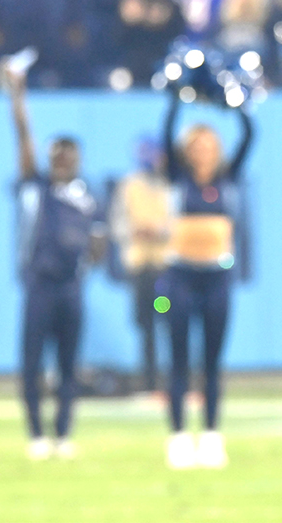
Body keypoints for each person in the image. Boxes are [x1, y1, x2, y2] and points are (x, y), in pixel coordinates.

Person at [7, 60, 103, 461]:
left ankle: (63, 433)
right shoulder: (37, 187)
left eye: (69, 155)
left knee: (68, 365)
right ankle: (35, 434)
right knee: (32, 364)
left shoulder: (87, 195)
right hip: (40, 286)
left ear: (78, 158)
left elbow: (99, 241)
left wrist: (86, 268)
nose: (63, 161)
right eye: (57, 155)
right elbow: (23, 138)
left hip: (70, 288)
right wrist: (17, 97)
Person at [161, 93, 254, 469]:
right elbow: (166, 130)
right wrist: (179, 94)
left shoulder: (228, 177)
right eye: (197, 145)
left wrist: (233, 101)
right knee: (179, 358)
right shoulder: (177, 177)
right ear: (187, 150)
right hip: (179, 276)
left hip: (217, 277)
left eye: (210, 144)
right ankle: (180, 436)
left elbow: (249, 134)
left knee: (212, 361)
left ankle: (212, 435)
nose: (203, 151)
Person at [109, 137, 172, 393]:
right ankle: (150, 382)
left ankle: (176, 379)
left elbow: (180, 221)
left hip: (165, 267)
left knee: (170, 322)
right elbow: (117, 223)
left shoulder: (171, 185)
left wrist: (159, 231)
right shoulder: (129, 186)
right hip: (140, 268)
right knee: (145, 325)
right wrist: (135, 232)